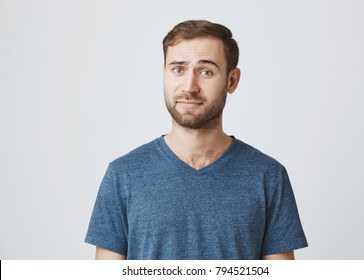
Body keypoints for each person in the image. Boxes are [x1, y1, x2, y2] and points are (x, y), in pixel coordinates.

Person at [85, 19, 308, 260]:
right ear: (164, 75)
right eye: (178, 69)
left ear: (231, 80)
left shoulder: (268, 176)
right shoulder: (122, 175)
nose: (189, 86)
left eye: (205, 72)